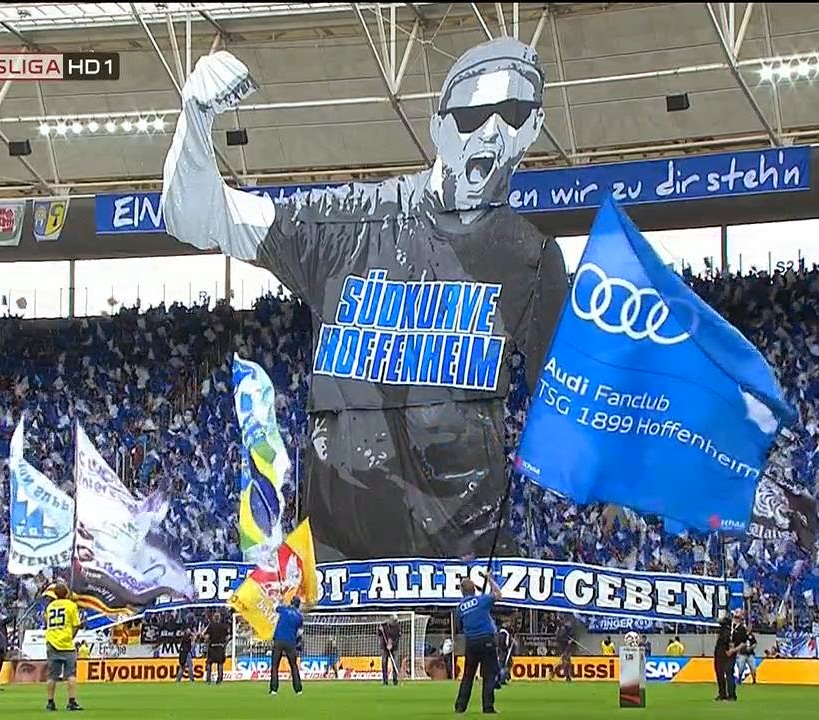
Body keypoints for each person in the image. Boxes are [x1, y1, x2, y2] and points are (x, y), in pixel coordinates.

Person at [162, 37, 567, 563]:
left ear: (533, 128)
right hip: (342, 563)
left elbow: (567, 402)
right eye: (472, 116)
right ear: (439, 128)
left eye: (512, 114)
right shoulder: (347, 225)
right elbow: (195, 216)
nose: (491, 130)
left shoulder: (531, 258)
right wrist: (195, 116)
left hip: (464, 565)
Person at [454, 576, 502, 714]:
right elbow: (498, 594)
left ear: (462, 591)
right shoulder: (482, 600)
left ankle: (460, 706)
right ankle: (488, 706)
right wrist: (489, 578)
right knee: (488, 675)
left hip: (471, 642)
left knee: (468, 676)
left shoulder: (460, 608)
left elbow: (459, 626)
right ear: (474, 589)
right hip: (486, 639)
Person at [44, 582, 83, 712]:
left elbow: (46, 621)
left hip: (52, 642)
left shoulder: (50, 606)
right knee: (71, 674)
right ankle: (71, 701)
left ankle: (50, 702)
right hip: (66, 643)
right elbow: (76, 625)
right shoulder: (71, 605)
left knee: (52, 676)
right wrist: (71, 636)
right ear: (66, 593)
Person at [270, 597, 304, 696]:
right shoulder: (299, 616)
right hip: (290, 641)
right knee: (293, 666)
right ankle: (298, 689)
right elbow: (300, 632)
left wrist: (279, 600)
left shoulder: (284, 609)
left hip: (279, 640)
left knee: (275, 666)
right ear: (298, 605)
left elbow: (275, 607)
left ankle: (274, 689)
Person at [728, 609, 750, 697]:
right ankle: (725, 692)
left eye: (737, 617)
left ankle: (731, 693)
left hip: (736, 653)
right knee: (726, 672)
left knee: (731, 671)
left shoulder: (742, 629)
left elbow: (743, 643)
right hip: (726, 651)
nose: (735, 618)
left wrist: (734, 650)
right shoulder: (729, 626)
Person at [713, 615, 735, 702]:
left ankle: (723, 694)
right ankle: (723, 693)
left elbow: (726, 643)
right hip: (721, 653)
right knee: (721, 674)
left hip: (721, 654)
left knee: (720, 674)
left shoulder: (725, 632)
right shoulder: (725, 631)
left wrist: (726, 651)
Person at [204, 611, 229, 684]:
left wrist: (207, 640)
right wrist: (224, 643)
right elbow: (228, 637)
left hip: (212, 646)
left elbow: (207, 637)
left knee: (209, 663)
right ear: (220, 618)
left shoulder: (211, 626)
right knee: (220, 663)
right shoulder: (224, 626)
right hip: (220, 647)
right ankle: (219, 679)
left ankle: (208, 679)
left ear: (214, 618)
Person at [379, 614, 402, 686]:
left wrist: (392, 645)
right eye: (394, 620)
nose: (395, 622)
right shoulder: (384, 626)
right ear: (390, 620)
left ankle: (395, 680)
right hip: (384, 647)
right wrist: (380, 630)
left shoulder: (397, 627)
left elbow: (397, 639)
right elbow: (379, 634)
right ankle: (385, 681)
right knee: (384, 663)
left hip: (394, 648)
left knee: (395, 663)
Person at [554, 619, 575, 683]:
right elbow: (558, 638)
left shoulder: (566, 628)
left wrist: (570, 640)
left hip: (567, 647)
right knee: (565, 662)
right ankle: (568, 676)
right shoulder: (559, 630)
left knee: (567, 662)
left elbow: (572, 636)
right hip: (563, 647)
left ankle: (569, 675)